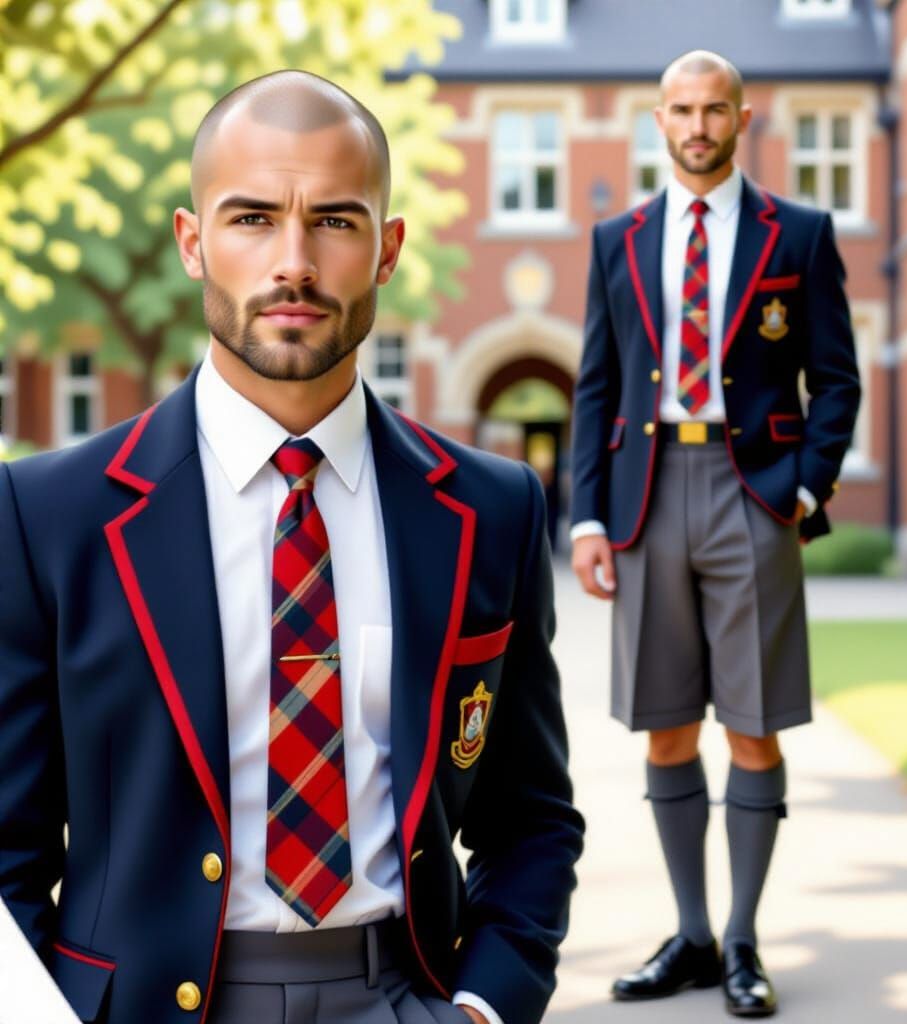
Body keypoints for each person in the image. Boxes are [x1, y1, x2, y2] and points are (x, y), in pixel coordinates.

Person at [0, 70, 583, 1024]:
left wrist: (484, 1009)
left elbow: (531, 820)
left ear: (388, 248)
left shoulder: (495, 510)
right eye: (252, 218)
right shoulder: (44, 516)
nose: (294, 262)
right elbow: (6, 853)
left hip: (403, 995)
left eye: (336, 221)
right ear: (193, 241)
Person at [570, 50, 860, 1018]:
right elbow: (597, 386)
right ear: (659, 120)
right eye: (681, 111)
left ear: (742, 117)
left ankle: (741, 939)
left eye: (713, 110)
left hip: (754, 496)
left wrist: (805, 490)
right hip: (646, 495)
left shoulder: (800, 234)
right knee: (665, 726)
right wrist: (587, 516)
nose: (697, 126)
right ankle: (690, 934)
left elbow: (836, 379)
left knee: (753, 724)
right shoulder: (617, 239)